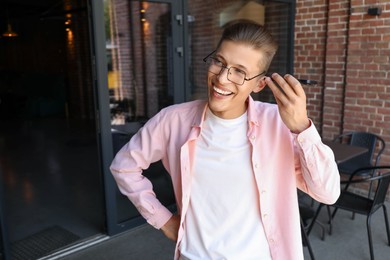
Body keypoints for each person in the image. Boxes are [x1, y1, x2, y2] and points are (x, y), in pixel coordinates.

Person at [110, 20, 340, 260]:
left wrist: (302, 127)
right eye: (219, 62)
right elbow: (124, 167)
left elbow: (328, 193)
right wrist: (163, 220)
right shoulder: (173, 120)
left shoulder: (279, 124)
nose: (222, 78)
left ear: (259, 83)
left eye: (240, 71)